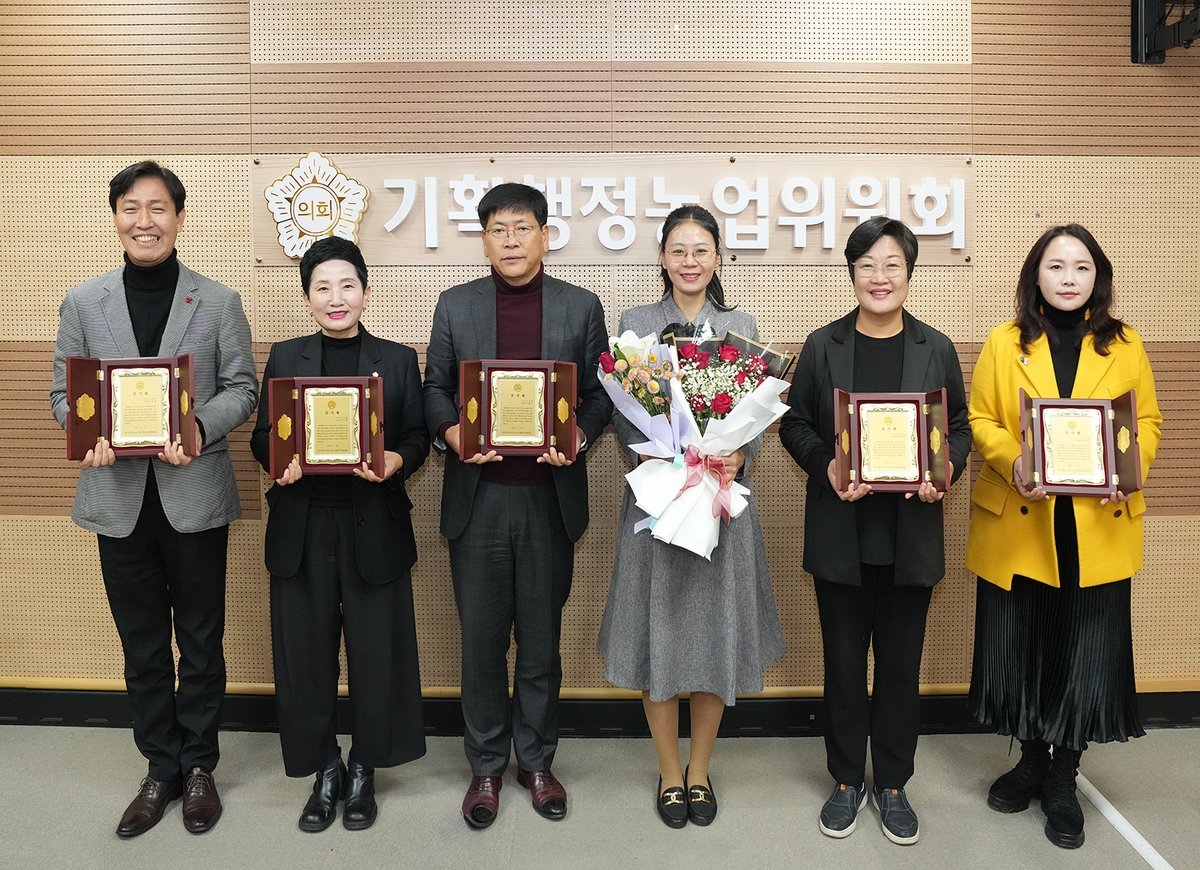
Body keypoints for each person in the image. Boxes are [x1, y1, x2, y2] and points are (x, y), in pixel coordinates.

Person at [49, 161, 257, 837]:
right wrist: (87, 433)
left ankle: (199, 769)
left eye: (158, 207)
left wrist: (197, 426)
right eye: (131, 208)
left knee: (200, 641)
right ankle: (159, 768)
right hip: (116, 499)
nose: (145, 221)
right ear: (115, 218)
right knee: (141, 645)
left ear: (180, 217)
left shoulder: (217, 301)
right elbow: (64, 395)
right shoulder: (84, 303)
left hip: (193, 495)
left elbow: (243, 389)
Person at [966, 224, 1161, 850]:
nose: (1069, 278)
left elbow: (1148, 420)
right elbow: (980, 418)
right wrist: (1013, 460)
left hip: (1096, 525)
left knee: (1083, 652)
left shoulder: (1125, 343)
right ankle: (1029, 760)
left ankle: (1063, 777)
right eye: (1056, 266)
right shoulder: (1005, 342)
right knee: (1024, 646)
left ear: (1097, 277)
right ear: (1036, 276)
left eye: (1081, 267)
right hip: (1023, 520)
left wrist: (1126, 471)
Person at [423, 182, 612, 828]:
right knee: (480, 645)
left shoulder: (580, 307)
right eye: (498, 230)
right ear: (484, 241)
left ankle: (535, 761)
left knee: (539, 645)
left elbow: (600, 394)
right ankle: (484, 766)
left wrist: (580, 436)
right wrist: (452, 433)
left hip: (547, 504)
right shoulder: (456, 305)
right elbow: (434, 387)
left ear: (544, 236)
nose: (511, 240)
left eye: (522, 228)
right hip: (478, 502)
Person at [779, 216, 971, 846]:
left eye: (892, 265)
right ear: (852, 273)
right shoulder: (823, 345)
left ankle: (892, 784)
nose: (879, 277)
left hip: (910, 538)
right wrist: (827, 466)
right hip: (842, 536)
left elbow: (960, 428)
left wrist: (943, 471)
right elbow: (794, 425)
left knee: (899, 669)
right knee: (842, 668)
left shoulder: (936, 347)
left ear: (909, 273)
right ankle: (845, 780)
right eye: (867, 265)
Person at [597, 204, 785, 829]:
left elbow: (755, 418)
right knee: (658, 636)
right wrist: (661, 454)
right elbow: (623, 412)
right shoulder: (636, 324)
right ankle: (668, 771)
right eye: (678, 250)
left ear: (718, 257)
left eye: (701, 250)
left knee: (714, 638)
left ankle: (700, 771)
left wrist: (737, 455)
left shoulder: (740, 327)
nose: (689, 262)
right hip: (658, 505)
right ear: (662, 258)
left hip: (720, 505)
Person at [249, 236, 429, 832]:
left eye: (347, 285)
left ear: (366, 293)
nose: (336, 298)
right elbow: (262, 437)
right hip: (302, 528)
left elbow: (415, 436)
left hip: (373, 524)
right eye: (322, 287)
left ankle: (365, 769)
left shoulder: (396, 359)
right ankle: (324, 768)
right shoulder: (286, 357)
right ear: (307, 297)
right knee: (305, 657)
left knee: (378, 654)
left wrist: (396, 461)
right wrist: (278, 461)